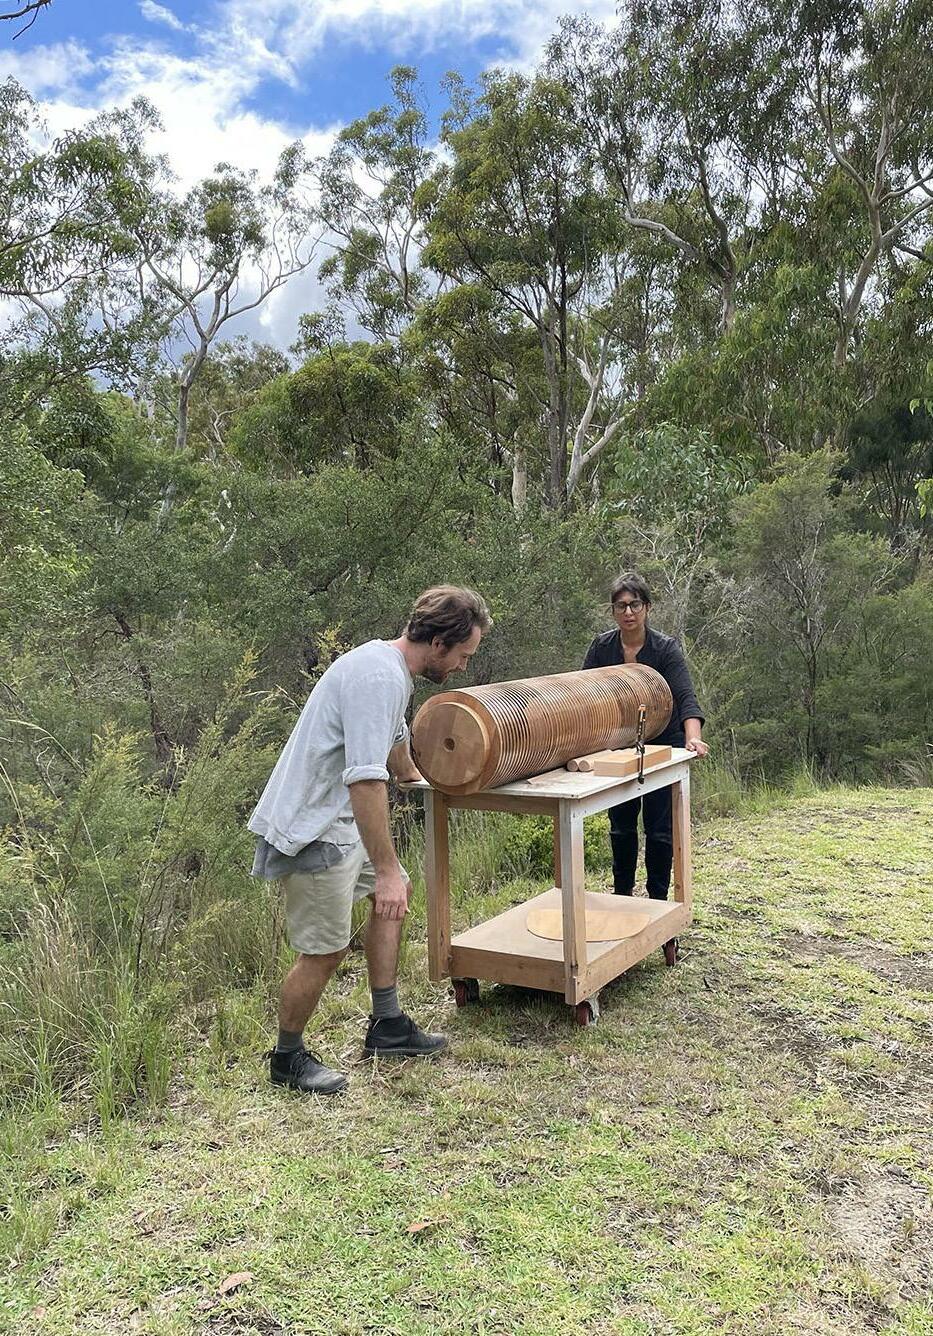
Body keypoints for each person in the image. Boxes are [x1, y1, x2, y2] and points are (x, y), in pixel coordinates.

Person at [249, 585, 493, 1095]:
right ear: (439, 643)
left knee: (394, 898)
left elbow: (395, 739)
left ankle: (387, 1025)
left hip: (341, 822)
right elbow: (364, 779)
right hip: (314, 828)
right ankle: (286, 1058)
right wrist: (382, 870)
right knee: (325, 951)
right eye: (464, 655)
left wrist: (417, 777)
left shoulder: (391, 669)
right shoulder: (378, 676)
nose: (463, 666)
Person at [582, 572, 708, 900]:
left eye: (635, 604)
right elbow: (581, 696)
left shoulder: (665, 648)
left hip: (664, 743)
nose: (628, 612)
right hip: (619, 747)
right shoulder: (601, 647)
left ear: (647, 608)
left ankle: (658, 903)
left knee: (660, 831)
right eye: (621, 606)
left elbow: (685, 697)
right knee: (621, 828)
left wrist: (693, 737)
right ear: (613, 610)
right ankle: (623, 898)